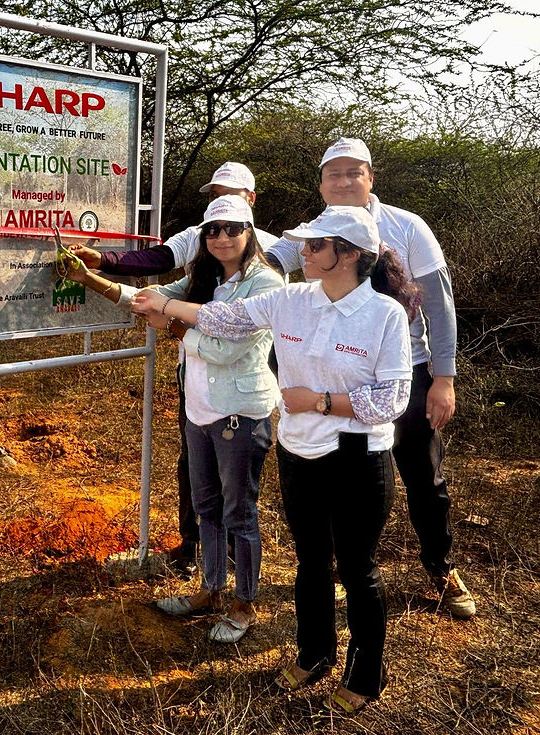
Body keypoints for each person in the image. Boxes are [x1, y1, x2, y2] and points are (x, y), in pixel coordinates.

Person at [132, 206, 417, 713]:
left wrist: (323, 402)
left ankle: (365, 674)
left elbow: (393, 398)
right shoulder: (291, 299)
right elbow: (228, 319)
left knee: (356, 568)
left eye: (314, 246)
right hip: (298, 449)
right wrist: (169, 305)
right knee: (311, 561)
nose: (302, 252)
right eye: (305, 245)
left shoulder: (384, 314)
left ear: (348, 255)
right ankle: (314, 654)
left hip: (357, 455)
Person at [263, 138, 474, 618]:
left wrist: (444, 378)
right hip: (332, 380)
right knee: (336, 473)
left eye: (353, 172)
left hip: (407, 371)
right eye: (333, 174)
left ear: (371, 178)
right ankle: (342, 564)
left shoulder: (407, 227)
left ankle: (440, 567)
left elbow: (439, 308)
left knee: (423, 473)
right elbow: (269, 265)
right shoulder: (315, 233)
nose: (342, 182)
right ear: (320, 184)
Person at [60, 195, 284, 643]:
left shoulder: (266, 285)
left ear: (250, 231)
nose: (222, 237)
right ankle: (210, 590)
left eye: (232, 228)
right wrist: (93, 279)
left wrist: (178, 327)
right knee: (206, 508)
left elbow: (225, 350)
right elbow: (148, 300)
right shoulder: (202, 276)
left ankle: (243, 604)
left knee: (239, 512)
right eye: (213, 230)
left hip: (240, 414)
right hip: (199, 410)